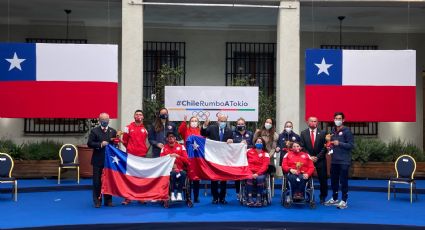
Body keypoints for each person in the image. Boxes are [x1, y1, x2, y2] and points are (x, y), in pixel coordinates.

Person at [324, 112, 354, 209]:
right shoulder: (332, 131)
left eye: (339, 118)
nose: (337, 120)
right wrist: (329, 147)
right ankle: (335, 198)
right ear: (334, 120)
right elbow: (332, 144)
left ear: (343, 120)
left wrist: (339, 143)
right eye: (336, 118)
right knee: (333, 181)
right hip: (334, 160)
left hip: (344, 161)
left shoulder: (347, 131)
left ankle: (344, 200)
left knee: (343, 181)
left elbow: (351, 145)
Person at [201, 114, 233, 204]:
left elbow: (233, 143)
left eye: (224, 121)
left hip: (224, 158)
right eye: (221, 121)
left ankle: (222, 198)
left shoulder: (229, 131)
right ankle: (215, 198)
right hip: (213, 157)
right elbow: (203, 133)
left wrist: (232, 140)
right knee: (214, 178)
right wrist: (204, 126)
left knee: (223, 179)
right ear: (217, 121)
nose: (223, 123)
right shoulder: (211, 128)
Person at [87, 112, 117, 208]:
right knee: (97, 181)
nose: (105, 122)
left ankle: (108, 200)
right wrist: (100, 144)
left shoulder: (113, 131)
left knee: (108, 181)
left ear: (109, 120)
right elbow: (89, 143)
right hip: (98, 160)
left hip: (109, 161)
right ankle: (97, 201)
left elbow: (114, 144)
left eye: (106, 120)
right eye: (103, 120)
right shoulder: (94, 131)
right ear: (99, 120)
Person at [121, 109, 149, 205]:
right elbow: (124, 141)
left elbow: (147, 142)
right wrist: (130, 149)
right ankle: (128, 197)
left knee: (140, 177)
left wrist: (144, 150)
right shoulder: (128, 127)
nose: (138, 116)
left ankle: (140, 197)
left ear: (143, 117)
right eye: (136, 114)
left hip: (142, 156)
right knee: (129, 177)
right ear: (134, 116)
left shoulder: (145, 129)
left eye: (140, 114)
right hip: (130, 156)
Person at [300, 116, 328, 204]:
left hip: (320, 160)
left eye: (315, 121)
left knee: (323, 180)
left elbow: (325, 147)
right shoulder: (303, 133)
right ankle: (308, 196)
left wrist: (317, 157)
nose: (313, 123)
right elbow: (302, 147)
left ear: (317, 123)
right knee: (307, 178)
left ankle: (323, 197)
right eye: (311, 121)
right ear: (308, 122)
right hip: (308, 160)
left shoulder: (323, 133)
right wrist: (309, 157)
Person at [178, 115, 201, 203]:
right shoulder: (186, 130)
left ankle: (196, 197)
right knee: (188, 177)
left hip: (198, 158)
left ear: (198, 123)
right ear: (189, 122)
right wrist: (184, 122)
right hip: (188, 157)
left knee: (197, 178)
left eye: (195, 121)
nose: (194, 122)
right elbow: (180, 130)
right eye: (192, 121)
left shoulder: (200, 131)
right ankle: (188, 196)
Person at [160, 132, 190, 201]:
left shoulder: (181, 147)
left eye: (172, 136)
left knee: (183, 173)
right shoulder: (164, 148)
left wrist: (178, 156)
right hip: (168, 171)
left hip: (180, 170)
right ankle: (172, 194)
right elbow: (161, 161)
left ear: (175, 138)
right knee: (172, 173)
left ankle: (179, 193)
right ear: (167, 139)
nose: (171, 138)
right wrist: (168, 157)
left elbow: (187, 161)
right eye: (169, 137)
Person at [232, 117, 254, 199]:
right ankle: (238, 192)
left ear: (245, 124)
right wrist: (239, 143)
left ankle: (247, 191)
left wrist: (246, 145)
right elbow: (230, 143)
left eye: (242, 124)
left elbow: (253, 145)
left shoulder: (250, 133)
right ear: (236, 125)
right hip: (237, 159)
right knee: (237, 175)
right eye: (239, 124)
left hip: (248, 158)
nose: (240, 125)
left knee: (247, 174)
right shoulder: (233, 134)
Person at [245, 137, 269, 206]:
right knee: (249, 177)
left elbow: (265, 166)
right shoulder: (249, 151)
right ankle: (249, 197)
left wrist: (257, 174)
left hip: (260, 173)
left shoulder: (266, 154)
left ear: (263, 144)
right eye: (257, 142)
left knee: (260, 178)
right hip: (249, 171)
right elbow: (244, 161)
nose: (259, 143)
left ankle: (259, 197)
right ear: (255, 143)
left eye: (260, 142)